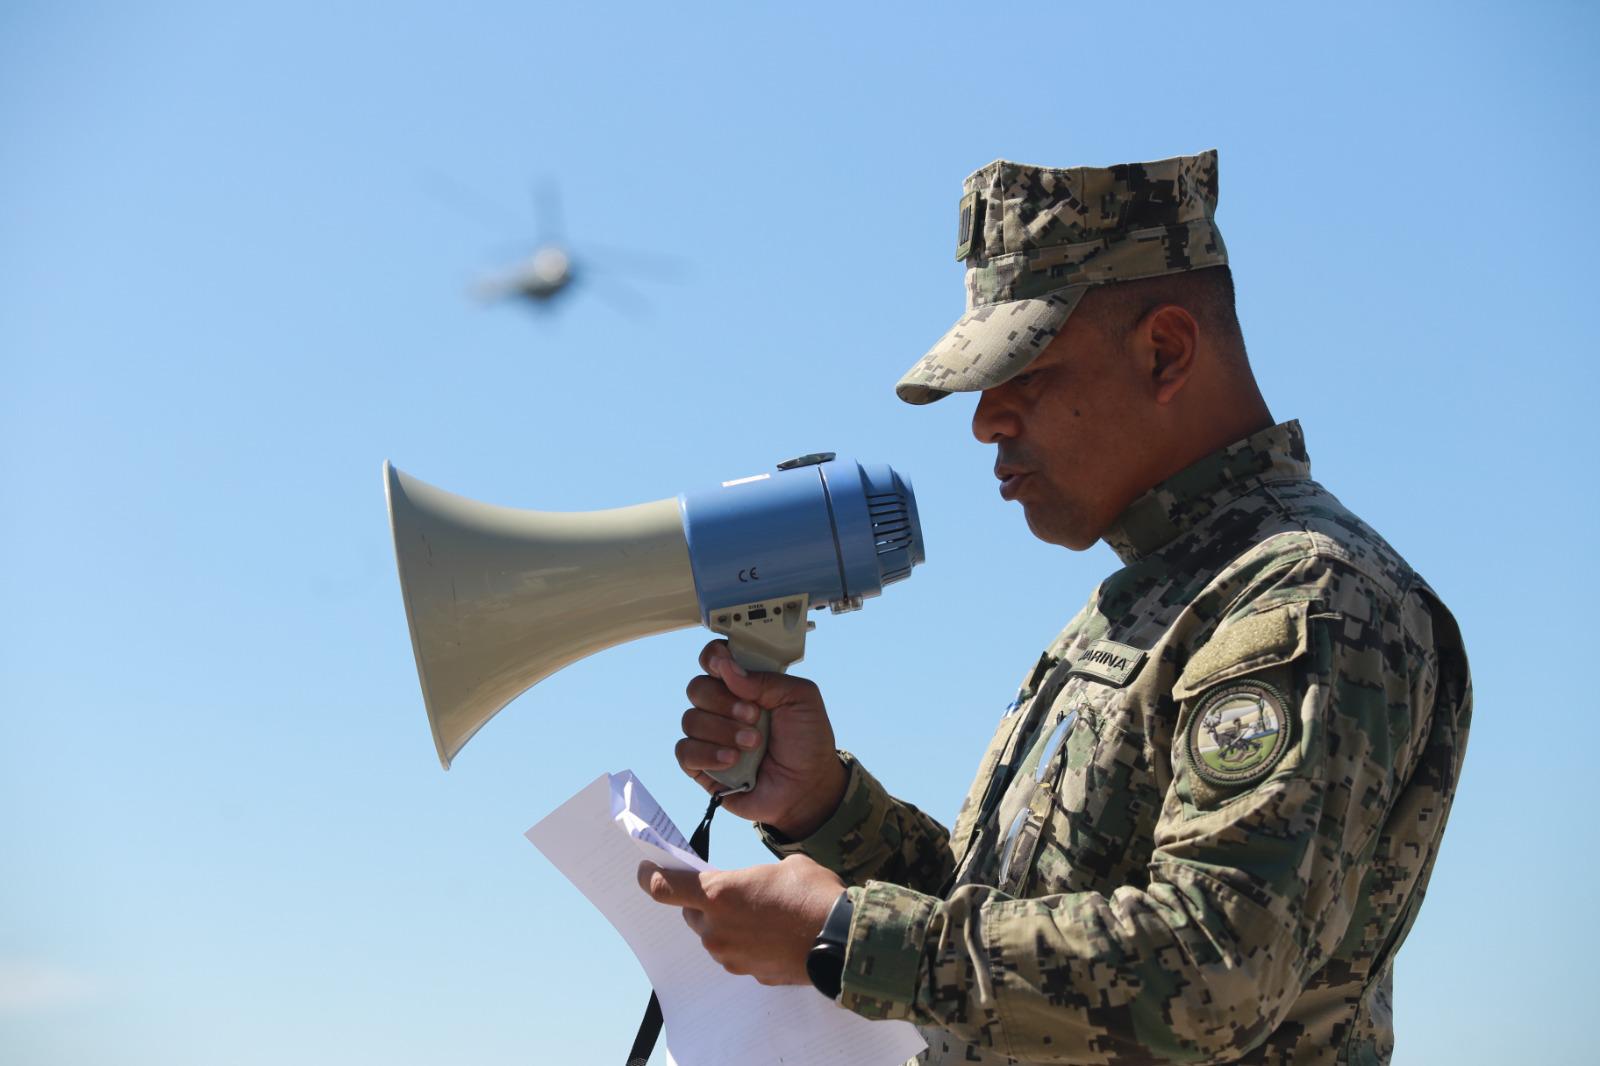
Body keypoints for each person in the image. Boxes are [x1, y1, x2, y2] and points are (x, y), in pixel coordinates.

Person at [637, 149, 1472, 1064]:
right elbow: (1003, 924)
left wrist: (844, 937)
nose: (984, 421)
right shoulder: (1155, 599)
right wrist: (828, 811)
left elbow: (1212, 969)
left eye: (1021, 373)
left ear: (1165, 351)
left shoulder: (1305, 595)